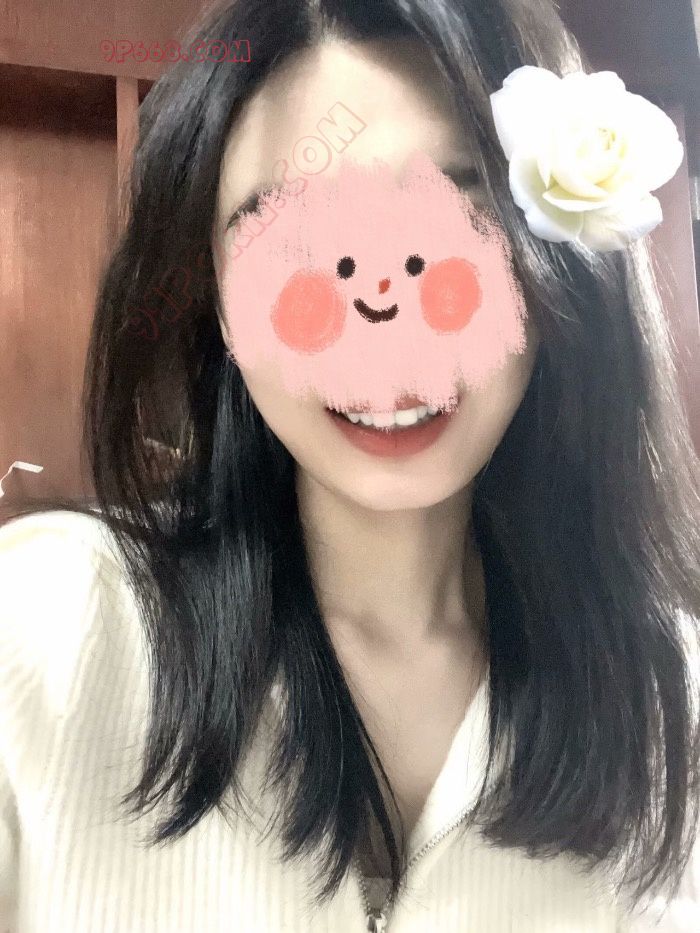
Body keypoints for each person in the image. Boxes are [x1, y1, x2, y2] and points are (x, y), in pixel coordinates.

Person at [1, 1, 699, 930]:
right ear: (217, 301)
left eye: (456, 215)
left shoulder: (669, 697)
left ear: (556, 265)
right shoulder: (44, 628)